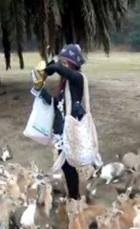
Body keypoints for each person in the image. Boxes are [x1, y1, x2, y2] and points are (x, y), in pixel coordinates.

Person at [31, 44, 99, 200]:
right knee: (66, 165)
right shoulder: (64, 85)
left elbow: (70, 74)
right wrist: (40, 90)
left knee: (70, 165)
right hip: (63, 130)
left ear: (72, 63)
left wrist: (55, 66)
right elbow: (57, 103)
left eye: (65, 62)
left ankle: (75, 196)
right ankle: (73, 195)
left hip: (71, 129)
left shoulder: (77, 78)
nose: (63, 66)